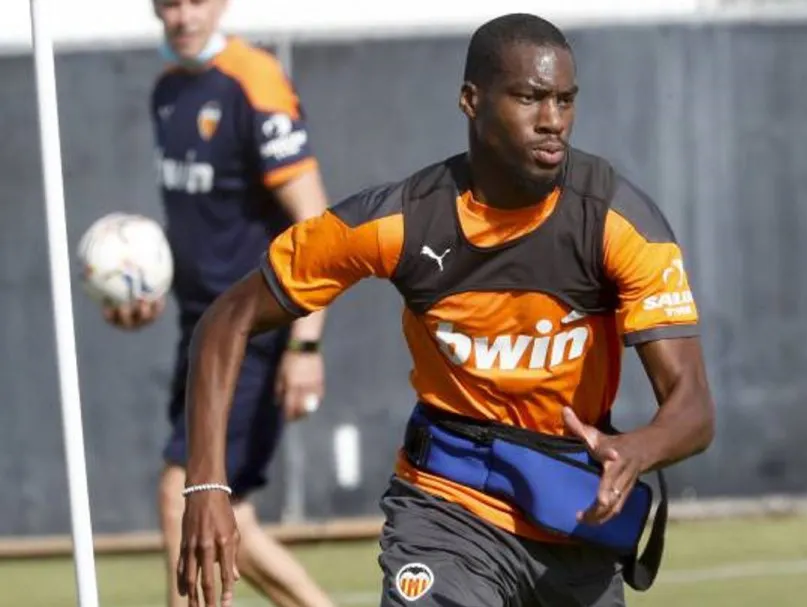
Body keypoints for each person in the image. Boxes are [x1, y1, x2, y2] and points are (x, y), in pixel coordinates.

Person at [175, 12, 716, 607]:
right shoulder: (401, 221)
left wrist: (638, 449)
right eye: (530, 98)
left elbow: (692, 406)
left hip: (575, 519)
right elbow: (225, 320)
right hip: (446, 510)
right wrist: (206, 484)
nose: (553, 122)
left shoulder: (618, 222)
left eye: (564, 100)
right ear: (471, 101)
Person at [102, 1, 336, 605]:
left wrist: (307, 343)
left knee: (186, 487)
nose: (182, 16)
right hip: (196, 327)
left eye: (195, 1)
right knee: (236, 518)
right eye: (168, 3)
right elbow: (202, 225)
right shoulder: (167, 91)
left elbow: (315, 225)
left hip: (252, 328)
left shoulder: (253, 81)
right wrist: (145, 292)